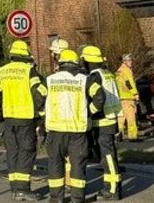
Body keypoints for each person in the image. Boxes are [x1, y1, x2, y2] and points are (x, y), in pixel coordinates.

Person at [44, 49, 103, 203]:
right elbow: (100, 97)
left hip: (55, 131)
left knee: (55, 164)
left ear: (60, 63)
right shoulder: (85, 80)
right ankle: (77, 198)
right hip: (77, 131)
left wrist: (44, 115)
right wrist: (89, 112)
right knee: (78, 165)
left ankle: (56, 198)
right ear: (76, 64)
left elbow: (37, 97)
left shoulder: (50, 80)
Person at [0, 40, 47, 202]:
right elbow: (38, 95)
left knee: (13, 152)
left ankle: (15, 189)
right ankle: (23, 189)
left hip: (8, 119)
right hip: (25, 118)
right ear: (25, 55)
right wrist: (41, 116)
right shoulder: (29, 71)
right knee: (26, 152)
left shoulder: (1, 71)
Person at [82, 45, 123, 201]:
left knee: (108, 158)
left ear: (87, 61)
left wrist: (89, 111)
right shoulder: (107, 73)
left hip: (102, 121)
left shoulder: (94, 76)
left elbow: (98, 99)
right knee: (108, 156)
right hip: (111, 118)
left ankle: (112, 190)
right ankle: (110, 187)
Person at [116, 53, 140, 142]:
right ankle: (133, 136)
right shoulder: (126, 70)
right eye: (129, 60)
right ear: (124, 61)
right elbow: (129, 83)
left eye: (131, 60)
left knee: (121, 117)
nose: (131, 62)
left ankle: (119, 134)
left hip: (121, 97)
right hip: (128, 97)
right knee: (131, 117)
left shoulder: (118, 71)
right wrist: (135, 93)